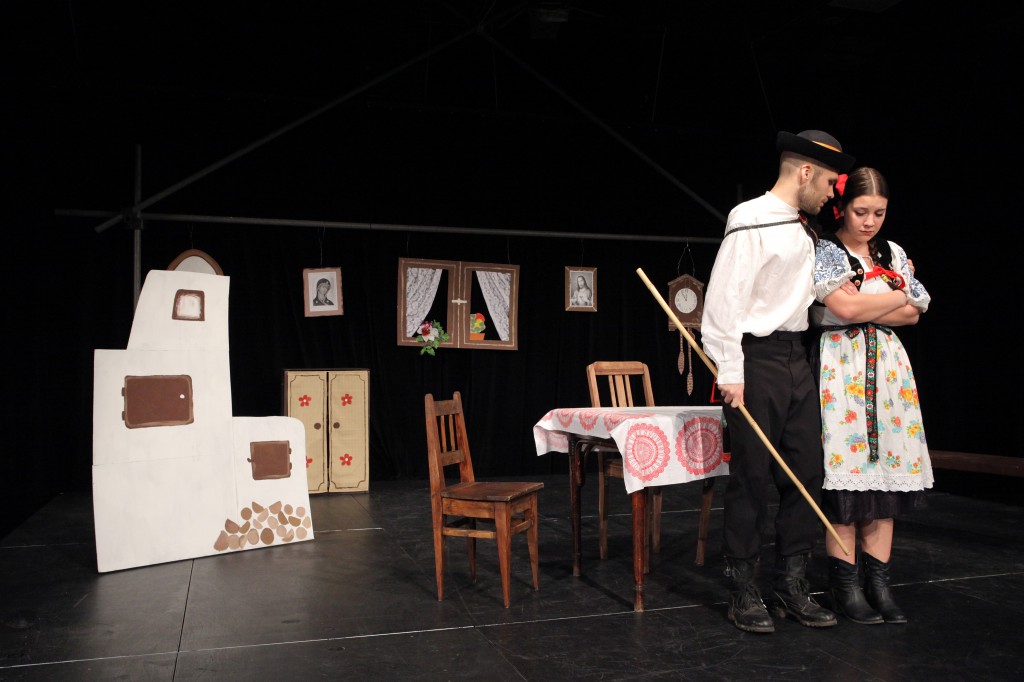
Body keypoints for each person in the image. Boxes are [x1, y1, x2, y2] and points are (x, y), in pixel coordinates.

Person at [701, 129, 854, 634]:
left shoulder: (806, 230)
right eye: (829, 182)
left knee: (806, 471)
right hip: (757, 357)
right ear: (805, 172)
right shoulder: (751, 218)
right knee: (751, 475)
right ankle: (743, 586)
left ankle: (790, 583)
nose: (832, 193)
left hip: (797, 357)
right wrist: (731, 370)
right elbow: (723, 300)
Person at [811, 166, 932, 625]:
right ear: (843, 208)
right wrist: (896, 294)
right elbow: (843, 308)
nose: (869, 222)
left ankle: (879, 585)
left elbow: (917, 313)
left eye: (879, 213)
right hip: (841, 368)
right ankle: (845, 587)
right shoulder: (827, 251)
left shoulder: (892, 252)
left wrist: (872, 303)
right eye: (861, 211)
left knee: (886, 476)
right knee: (847, 477)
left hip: (888, 372)